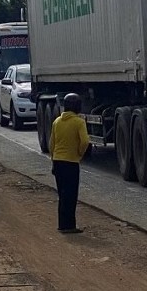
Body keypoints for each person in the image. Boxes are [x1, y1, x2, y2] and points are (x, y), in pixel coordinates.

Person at [49, 93, 90, 234]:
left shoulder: (57, 122)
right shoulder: (79, 122)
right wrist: (79, 153)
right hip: (71, 162)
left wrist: (53, 161)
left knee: (62, 194)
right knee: (71, 195)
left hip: (58, 161)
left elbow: (51, 144)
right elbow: (85, 141)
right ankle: (70, 226)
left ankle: (62, 225)